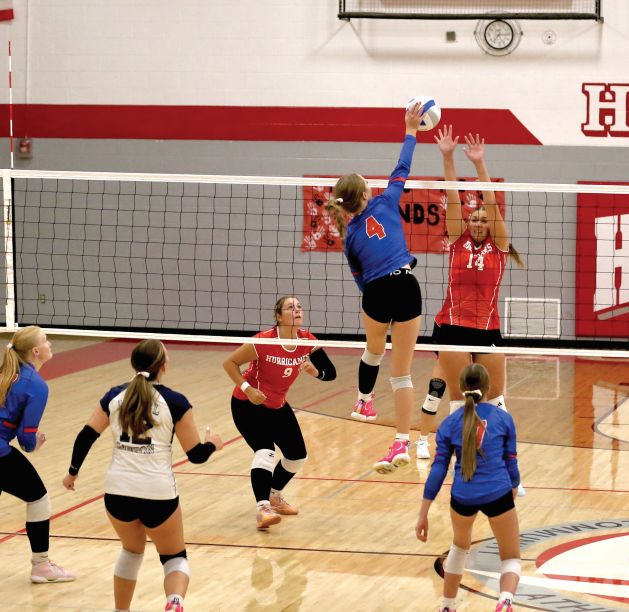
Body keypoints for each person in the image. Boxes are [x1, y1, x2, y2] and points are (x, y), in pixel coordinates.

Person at [63, 339, 223, 612]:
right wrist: (213, 445)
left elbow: (87, 435)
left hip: (117, 492)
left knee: (131, 551)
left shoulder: (114, 395)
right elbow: (195, 454)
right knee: (174, 556)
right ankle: (174, 602)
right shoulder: (175, 401)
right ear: (163, 366)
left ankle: (120, 611)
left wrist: (73, 472)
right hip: (158, 493)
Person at [414, 127, 523, 482]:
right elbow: (452, 197)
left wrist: (479, 164)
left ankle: (507, 464)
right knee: (455, 398)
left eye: (482, 220)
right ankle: (452, 456)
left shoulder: (500, 246)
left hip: (487, 329)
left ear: (489, 224)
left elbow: (490, 202)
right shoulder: (458, 241)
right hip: (452, 326)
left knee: (494, 400)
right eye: (472, 219)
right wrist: (447, 156)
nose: (477, 223)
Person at [325, 102, 424, 474]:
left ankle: (363, 400)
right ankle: (401, 441)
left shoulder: (349, 236)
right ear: (365, 194)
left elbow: (358, 278)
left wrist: (372, 299)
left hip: (377, 292)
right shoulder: (386, 202)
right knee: (402, 374)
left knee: (373, 350)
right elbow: (402, 168)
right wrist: (411, 129)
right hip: (406, 286)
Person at [223, 296, 336, 529]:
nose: (296, 310)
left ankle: (274, 495)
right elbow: (230, 363)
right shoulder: (264, 341)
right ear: (278, 316)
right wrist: (248, 389)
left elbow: (330, 373)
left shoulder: (306, 340)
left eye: (299, 307)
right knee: (265, 452)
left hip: (276, 405)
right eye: (290, 307)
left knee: (297, 456)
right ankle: (263, 509)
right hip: (247, 404)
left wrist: (316, 373)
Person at [416, 363, 520, 612]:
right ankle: (505, 601)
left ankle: (447, 606)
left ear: (461, 388)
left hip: (463, 496)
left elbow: (438, 470)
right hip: (498, 492)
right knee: (511, 556)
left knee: (459, 547)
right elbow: (512, 462)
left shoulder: (450, 423)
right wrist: (512, 490)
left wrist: (423, 513)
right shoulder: (503, 419)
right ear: (488, 388)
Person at [0, 326, 75, 584]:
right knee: (39, 499)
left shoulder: (5, 373)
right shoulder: (36, 386)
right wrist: (36, 443)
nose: (50, 343)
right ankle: (41, 566)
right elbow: (26, 441)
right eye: (45, 340)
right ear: (35, 351)